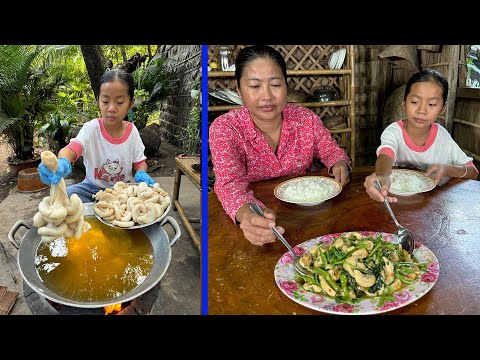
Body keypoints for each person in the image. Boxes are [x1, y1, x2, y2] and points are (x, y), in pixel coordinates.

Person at [209, 45, 351, 246]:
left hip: (307, 216)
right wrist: (247, 215)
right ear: (239, 90)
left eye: (275, 84)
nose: (267, 96)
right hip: (257, 220)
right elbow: (230, 184)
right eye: (255, 86)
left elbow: (331, 150)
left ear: (286, 85)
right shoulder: (225, 128)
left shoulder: (305, 119)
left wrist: (338, 162)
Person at [38, 68, 156, 203]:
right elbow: (71, 149)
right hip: (91, 189)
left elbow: (140, 162)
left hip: (123, 191)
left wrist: (141, 173)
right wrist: (62, 163)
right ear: (98, 100)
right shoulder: (91, 129)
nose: (111, 108)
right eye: (105, 101)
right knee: (64, 197)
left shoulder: (132, 132)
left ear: (131, 103)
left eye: (119, 102)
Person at [364, 69, 479, 203]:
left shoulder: (442, 137)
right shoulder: (394, 132)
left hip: (433, 205)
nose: (422, 111)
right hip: (396, 202)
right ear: (404, 103)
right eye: (414, 102)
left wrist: (447, 169)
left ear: (443, 108)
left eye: (431, 104)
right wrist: (382, 175)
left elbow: (473, 172)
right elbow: (386, 154)